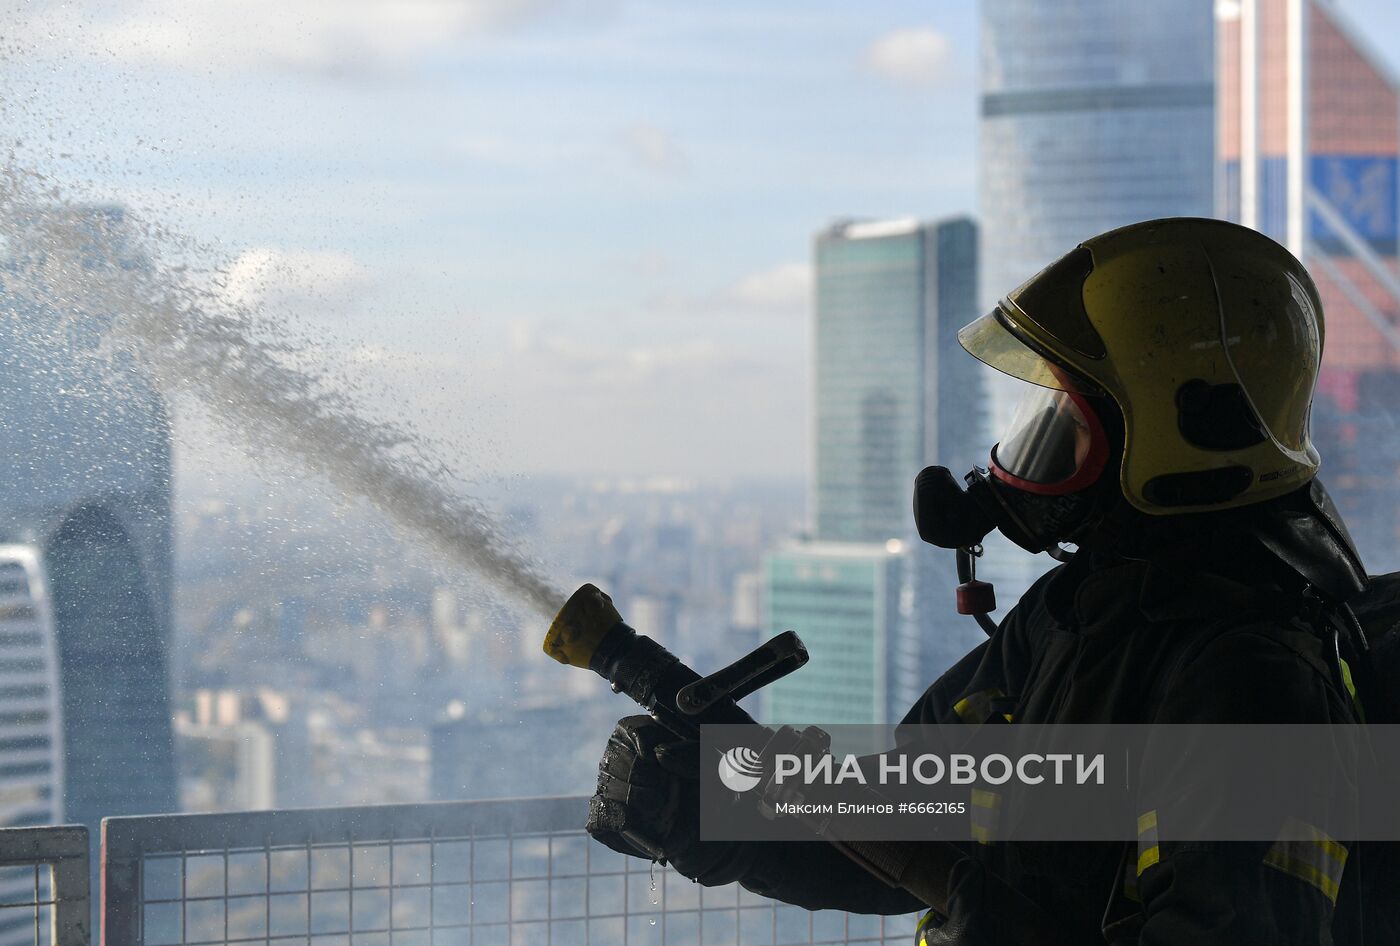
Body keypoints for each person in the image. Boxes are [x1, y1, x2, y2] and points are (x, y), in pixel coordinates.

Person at [586, 217, 1387, 944]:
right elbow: (919, 813)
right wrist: (720, 815)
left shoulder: (1257, 684)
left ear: (1176, 434)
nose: (1029, 453)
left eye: (1065, 422)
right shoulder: (1078, 613)